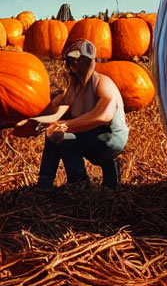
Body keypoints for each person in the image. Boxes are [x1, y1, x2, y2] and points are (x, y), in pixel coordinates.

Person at [13, 39, 130, 189]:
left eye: (82, 61)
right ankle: (45, 184)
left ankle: (79, 182)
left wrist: (65, 125)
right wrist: (34, 121)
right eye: (73, 62)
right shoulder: (74, 88)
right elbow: (57, 111)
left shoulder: (102, 83)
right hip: (90, 134)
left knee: (65, 139)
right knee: (53, 135)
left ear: (90, 62)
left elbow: (103, 116)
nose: (77, 65)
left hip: (109, 137)